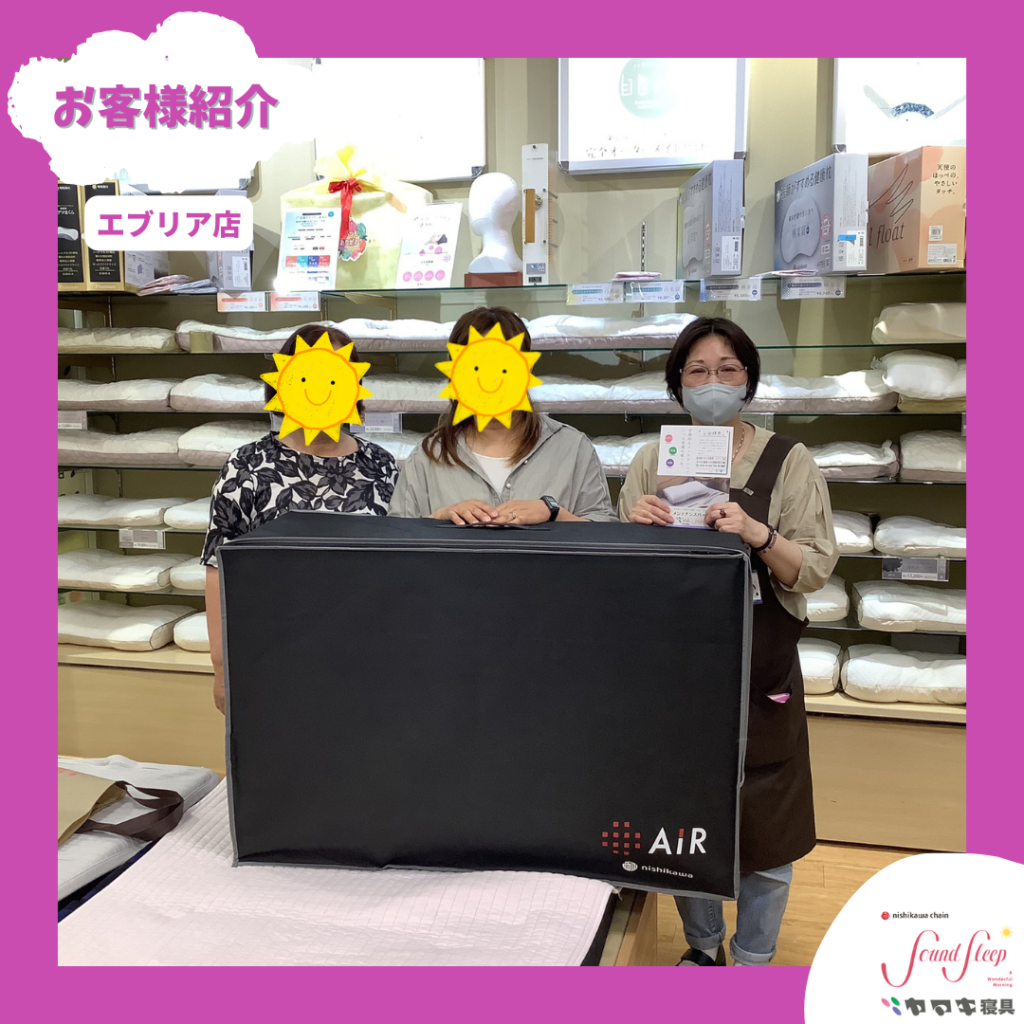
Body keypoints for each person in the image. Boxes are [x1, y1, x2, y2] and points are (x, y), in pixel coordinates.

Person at [617, 316, 838, 967]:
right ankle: (704, 947)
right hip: (677, 672)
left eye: (727, 370)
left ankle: (753, 959)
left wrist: (757, 533)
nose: (712, 382)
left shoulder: (787, 460)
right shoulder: (652, 461)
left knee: (768, 823)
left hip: (759, 670)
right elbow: (625, 579)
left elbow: (813, 570)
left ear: (748, 380)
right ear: (678, 384)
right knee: (684, 821)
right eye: (698, 371)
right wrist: (636, 529)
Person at [201, 324, 399, 713]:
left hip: (366, 654)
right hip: (270, 654)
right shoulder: (247, 465)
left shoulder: (380, 465)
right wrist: (221, 668)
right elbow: (217, 568)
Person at [388, 306, 618, 525]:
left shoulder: (573, 449)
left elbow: (604, 531)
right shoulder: (427, 457)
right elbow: (397, 538)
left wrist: (553, 512)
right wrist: (437, 518)